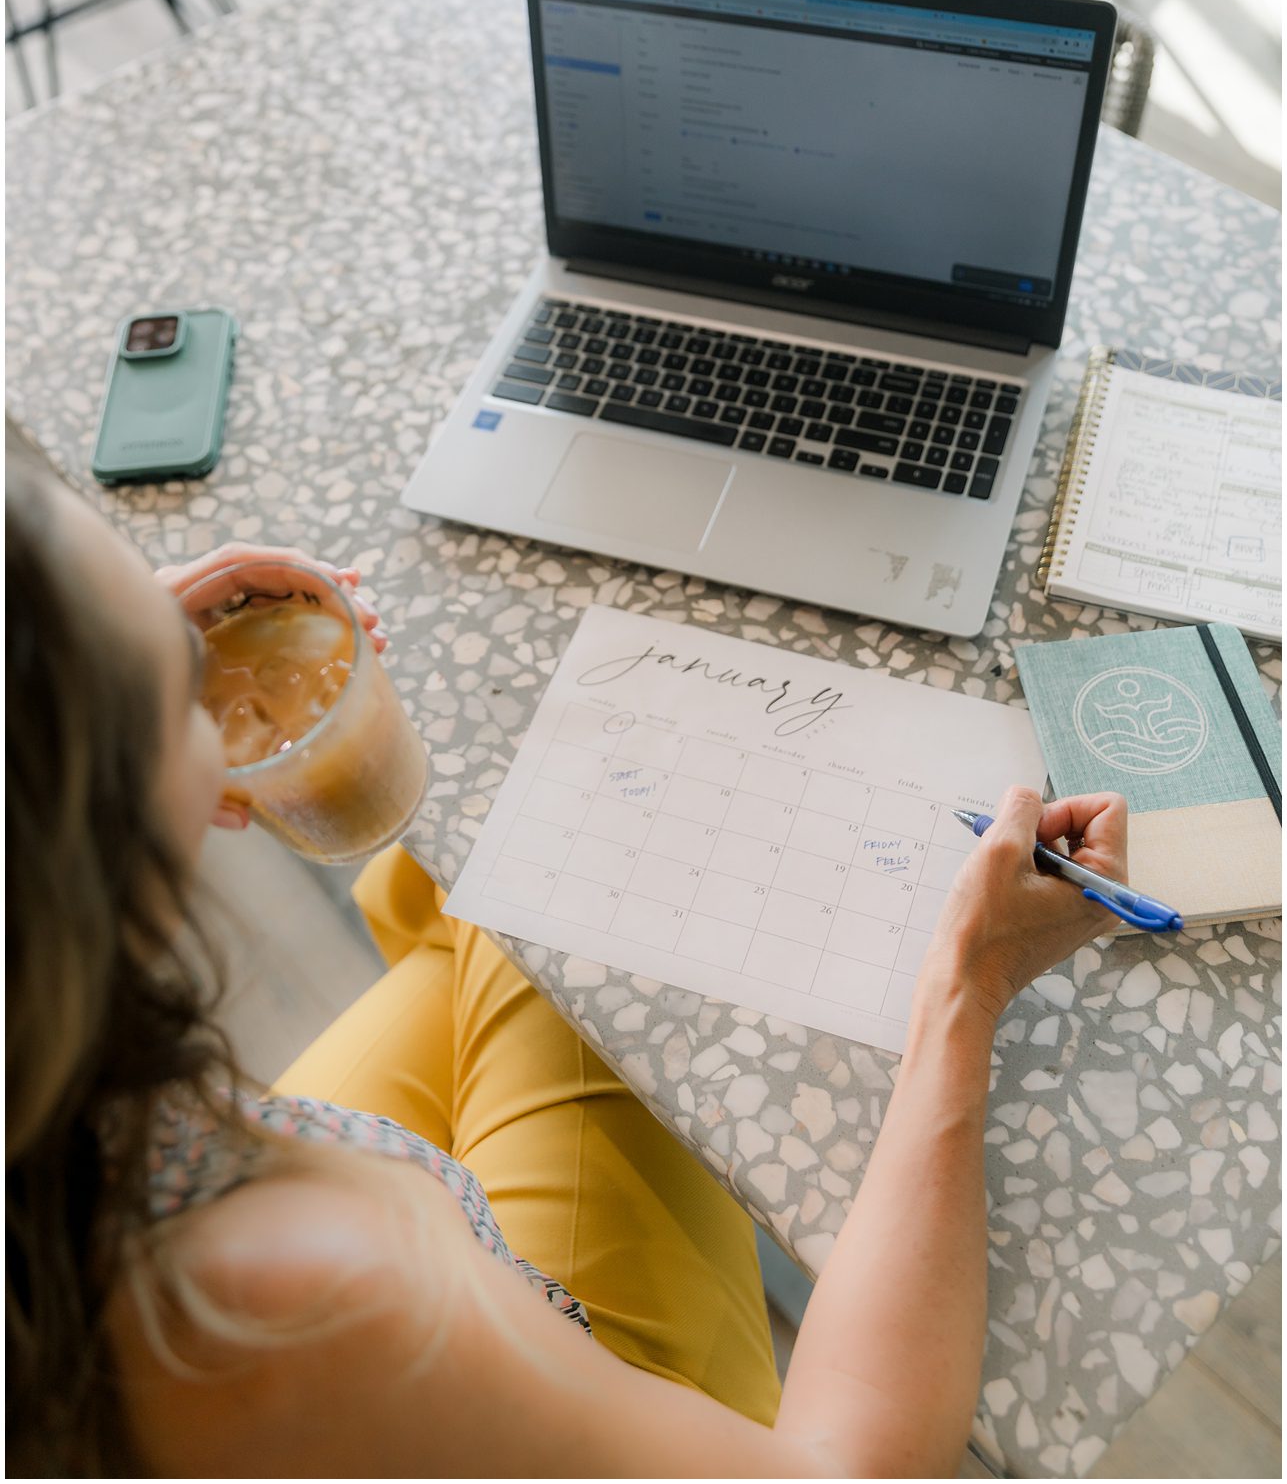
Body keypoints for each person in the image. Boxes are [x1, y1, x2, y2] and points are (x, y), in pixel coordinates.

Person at [6, 433, 1129, 1477]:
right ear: (70, 842)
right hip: (502, 1352)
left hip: (234, 1170)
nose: (184, 649)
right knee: (571, 885)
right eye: (160, 683)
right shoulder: (296, 1306)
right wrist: (966, 987)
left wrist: (97, 677)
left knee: (496, 905)